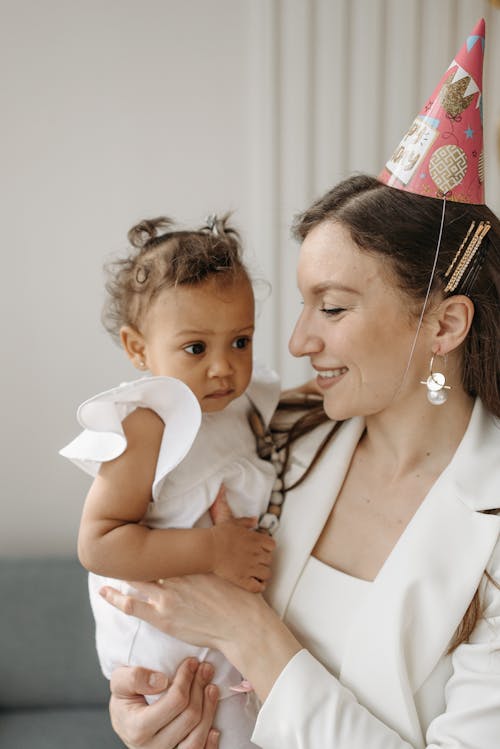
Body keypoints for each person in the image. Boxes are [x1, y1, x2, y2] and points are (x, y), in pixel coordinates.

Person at [100, 19, 500, 749]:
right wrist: (142, 709)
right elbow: (147, 574)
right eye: (302, 302)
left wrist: (252, 633)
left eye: (334, 307)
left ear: (443, 326)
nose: (296, 342)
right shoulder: (277, 432)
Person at [59, 213, 280, 749]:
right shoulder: (148, 423)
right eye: (196, 348)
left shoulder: (243, 408)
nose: (224, 368)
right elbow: (100, 542)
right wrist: (214, 550)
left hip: (228, 649)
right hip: (163, 658)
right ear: (138, 350)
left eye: (241, 342)